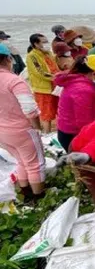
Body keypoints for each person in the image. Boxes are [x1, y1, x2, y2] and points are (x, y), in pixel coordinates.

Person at [0, 43, 45, 202]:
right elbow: (30, 109)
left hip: (3, 133)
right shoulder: (14, 81)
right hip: (22, 130)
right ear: (7, 59)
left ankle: (26, 194)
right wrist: (37, 128)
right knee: (35, 164)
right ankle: (39, 198)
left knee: (21, 161)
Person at [54, 55, 95, 151]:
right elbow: (84, 124)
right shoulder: (83, 90)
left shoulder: (78, 79)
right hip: (74, 135)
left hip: (73, 130)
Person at [26, 33, 59, 134]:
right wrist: (56, 77)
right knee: (46, 114)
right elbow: (40, 72)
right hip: (43, 90)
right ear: (36, 44)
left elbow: (55, 67)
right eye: (43, 42)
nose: (46, 44)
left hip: (55, 87)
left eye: (46, 41)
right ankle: (46, 134)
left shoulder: (47, 53)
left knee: (57, 111)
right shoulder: (32, 56)